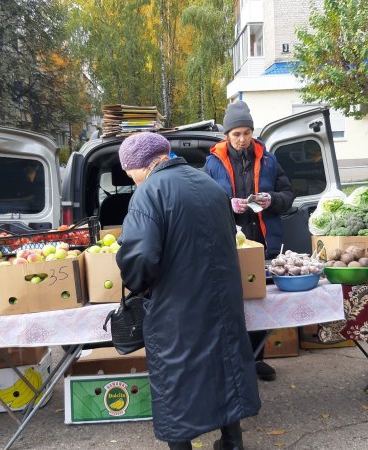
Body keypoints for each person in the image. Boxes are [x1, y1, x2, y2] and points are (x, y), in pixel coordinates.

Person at [116, 132, 261, 450]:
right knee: (225, 365)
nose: (132, 179)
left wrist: (136, 282)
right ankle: (232, 442)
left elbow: (139, 258)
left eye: (130, 172)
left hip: (177, 305)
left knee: (176, 378)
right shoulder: (210, 185)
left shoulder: (149, 192)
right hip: (221, 298)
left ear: (143, 164)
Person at [204, 100, 295, 383]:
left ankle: (256, 359)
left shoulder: (268, 159)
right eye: (236, 134)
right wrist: (225, 205)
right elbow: (202, 202)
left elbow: (288, 195)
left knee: (261, 302)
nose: (242, 140)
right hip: (229, 244)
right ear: (226, 136)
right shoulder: (212, 162)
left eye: (246, 133)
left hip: (264, 241)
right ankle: (234, 363)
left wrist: (272, 200)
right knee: (233, 304)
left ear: (252, 132)